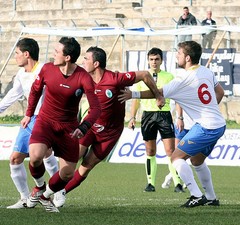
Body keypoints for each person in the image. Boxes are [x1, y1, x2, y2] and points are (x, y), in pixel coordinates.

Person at [53, 46, 164, 208]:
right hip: (90, 127)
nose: (83, 62)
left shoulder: (115, 79)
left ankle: (61, 192)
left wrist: (158, 95)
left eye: (86, 59)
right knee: (72, 159)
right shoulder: (83, 78)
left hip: (110, 133)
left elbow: (145, 75)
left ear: (96, 63)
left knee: (86, 167)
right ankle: (50, 190)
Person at [118, 41, 226, 208]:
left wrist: (133, 93)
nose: (177, 56)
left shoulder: (183, 78)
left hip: (206, 127)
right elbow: (220, 92)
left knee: (176, 157)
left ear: (187, 58)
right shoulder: (206, 71)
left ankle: (196, 195)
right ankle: (211, 198)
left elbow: (158, 93)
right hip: (217, 124)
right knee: (197, 161)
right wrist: (207, 109)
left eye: (179, 53)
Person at [21, 37, 102, 213]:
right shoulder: (47, 69)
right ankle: (39, 187)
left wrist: (83, 127)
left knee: (67, 174)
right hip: (45, 121)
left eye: (57, 52)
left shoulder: (83, 77)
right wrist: (29, 114)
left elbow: (96, 108)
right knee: (35, 157)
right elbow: (35, 92)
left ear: (67, 57)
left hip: (69, 128)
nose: (53, 54)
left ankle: (45, 196)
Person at [0, 38, 64, 209]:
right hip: (29, 120)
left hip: (46, 119)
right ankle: (24, 198)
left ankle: (58, 190)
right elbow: (13, 94)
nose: (15, 57)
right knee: (14, 159)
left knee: (46, 153)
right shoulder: (21, 75)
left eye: (17, 53)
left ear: (26, 54)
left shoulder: (45, 70)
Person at [128, 47, 184, 193]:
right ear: (148, 60)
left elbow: (177, 98)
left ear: (161, 60)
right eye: (151, 59)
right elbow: (136, 99)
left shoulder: (169, 77)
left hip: (164, 115)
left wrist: (179, 117)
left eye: (157, 59)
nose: (154, 62)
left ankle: (177, 183)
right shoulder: (142, 77)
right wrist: (132, 117)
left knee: (170, 150)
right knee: (150, 150)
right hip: (147, 116)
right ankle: (150, 183)